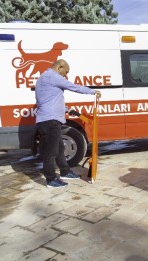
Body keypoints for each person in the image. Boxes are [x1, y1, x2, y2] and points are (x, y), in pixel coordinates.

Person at [35, 59, 101, 188]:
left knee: (59, 148)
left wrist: (67, 110)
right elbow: (74, 87)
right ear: (60, 67)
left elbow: (49, 100)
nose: (65, 76)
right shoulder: (52, 76)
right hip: (50, 121)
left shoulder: (44, 77)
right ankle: (51, 179)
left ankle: (65, 172)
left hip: (49, 119)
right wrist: (92, 91)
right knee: (51, 152)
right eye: (65, 72)